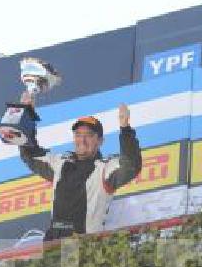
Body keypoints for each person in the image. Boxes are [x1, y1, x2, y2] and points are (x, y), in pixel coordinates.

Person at [19, 94, 143, 240]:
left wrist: (125, 129)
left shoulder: (104, 169)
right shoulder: (60, 163)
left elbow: (131, 166)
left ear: (100, 141)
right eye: (78, 134)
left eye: (89, 135)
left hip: (84, 245)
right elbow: (30, 154)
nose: (82, 140)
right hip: (52, 243)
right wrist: (26, 115)